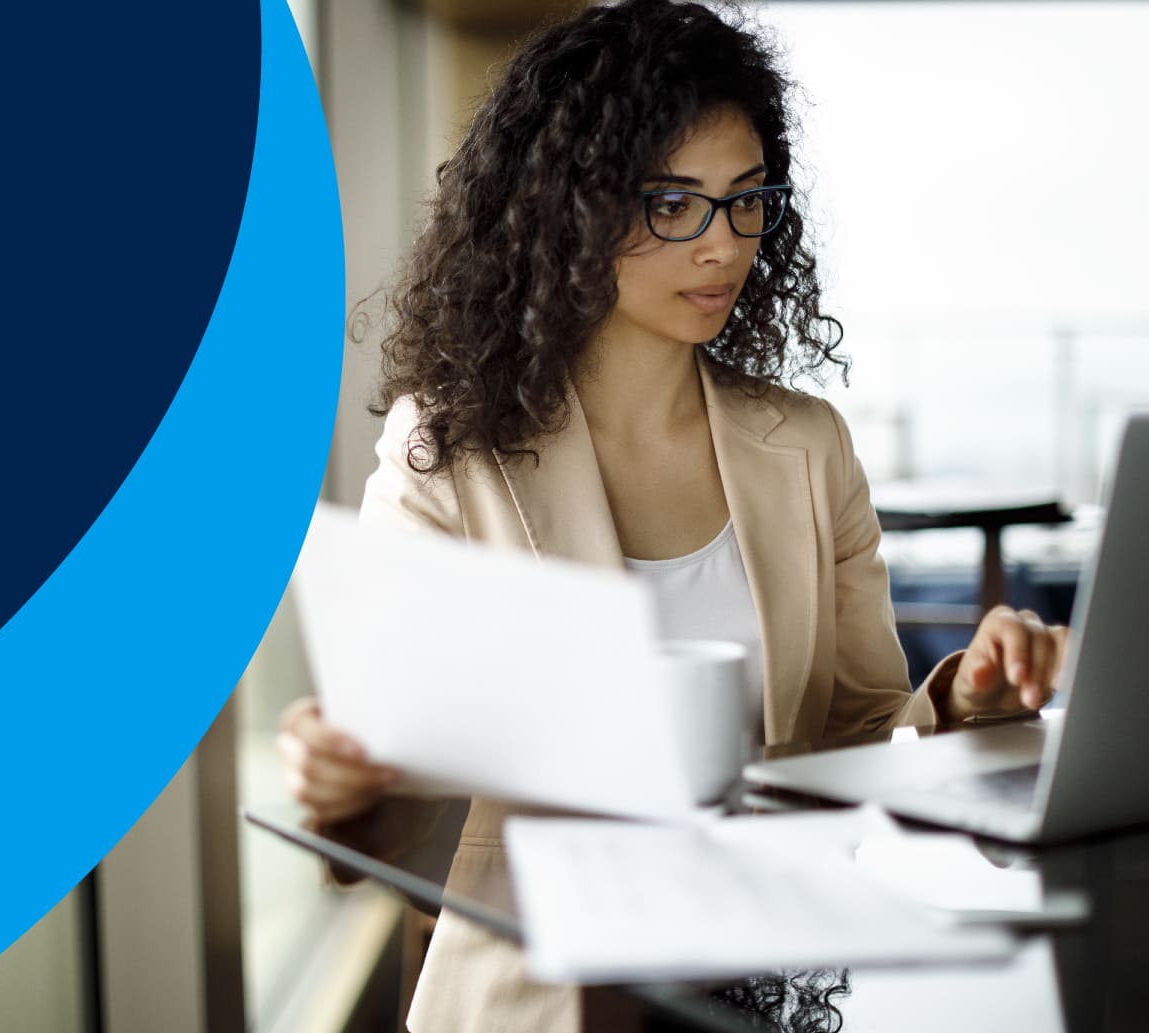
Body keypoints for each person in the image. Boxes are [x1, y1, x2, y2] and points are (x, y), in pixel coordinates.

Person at [276, 1, 1070, 1030]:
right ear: (571, 207)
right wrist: (347, 769)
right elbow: (402, 765)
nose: (722, 245)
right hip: (544, 999)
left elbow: (861, 733)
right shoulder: (454, 447)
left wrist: (969, 699)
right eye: (673, 204)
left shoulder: (807, 445)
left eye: (746, 203)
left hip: (766, 991)